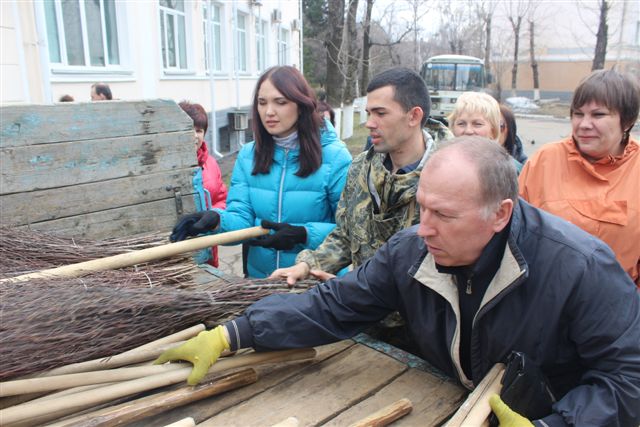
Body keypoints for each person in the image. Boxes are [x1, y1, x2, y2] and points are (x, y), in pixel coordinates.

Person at [155, 136, 640, 426]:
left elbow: (628, 379)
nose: (423, 226)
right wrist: (235, 332)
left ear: (500, 215)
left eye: (443, 215)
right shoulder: (414, 250)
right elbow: (333, 306)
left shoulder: (579, 267)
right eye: (422, 206)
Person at [170, 66, 352, 278]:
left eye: (280, 102)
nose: (269, 112)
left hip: (316, 284)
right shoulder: (249, 155)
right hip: (262, 282)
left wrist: (303, 234)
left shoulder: (336, 157)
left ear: (301, 105)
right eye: (262, 102)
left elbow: (349, 231)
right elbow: (242, 219)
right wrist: (217, 220)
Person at [270, 67, 435, 285]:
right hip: (361, 312)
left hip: (418, 317)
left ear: (414, 116)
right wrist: (308, 265)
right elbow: (346, 235)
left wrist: (358, 292)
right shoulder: (361, 168)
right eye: (368, 113)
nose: (369, 123)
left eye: (380, 113)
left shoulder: (448, 177)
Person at [519, 69, 640, 286]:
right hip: (546, 300)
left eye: (598, 115)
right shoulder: (545, 161)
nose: (584, 124)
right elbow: (514, 232)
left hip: (616, 309)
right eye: (578, 113)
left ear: (627, 120)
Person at [178, 101, 228, 268]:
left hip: (207, 242)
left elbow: (223, 199)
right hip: (178, 245)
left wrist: (212, 216)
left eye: (199, 130)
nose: (194, 135)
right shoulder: (166, 168)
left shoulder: (211, 164)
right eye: (189, 129)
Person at [448, 92, 523, 173]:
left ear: (493, 131)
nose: (468, 131)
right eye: (461, 124)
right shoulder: (441, 166)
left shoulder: (510, 171)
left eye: (477, 124)